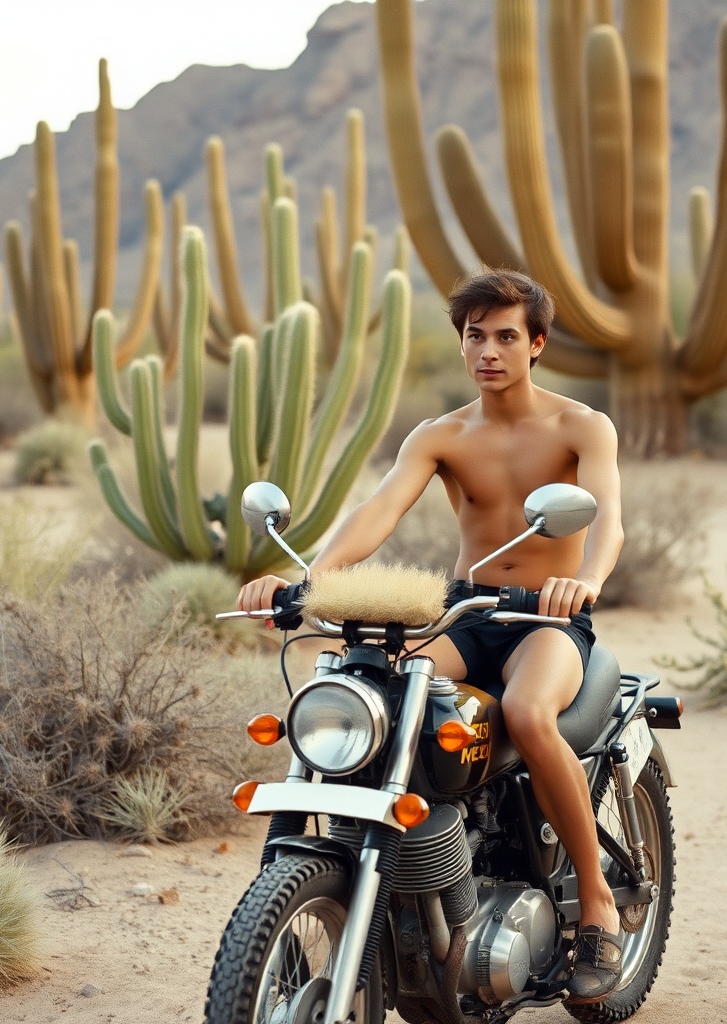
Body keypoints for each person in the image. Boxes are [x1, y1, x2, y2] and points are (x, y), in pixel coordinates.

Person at [237, 268, 626, 1001]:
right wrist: (308, 581)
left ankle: (598, 903)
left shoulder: (582, 426)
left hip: (544, 617)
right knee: (368, 694)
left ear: (536, 343)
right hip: (467, 613)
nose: (489, 350)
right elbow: (379, 511)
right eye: (475, 335)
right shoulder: (441, 435)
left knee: (526, 714)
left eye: (507, 335)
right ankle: (394, 884)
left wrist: (588, 580)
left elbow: (607, 515)